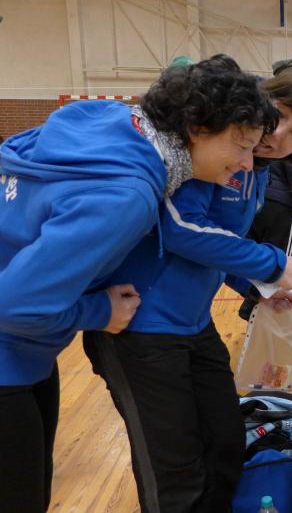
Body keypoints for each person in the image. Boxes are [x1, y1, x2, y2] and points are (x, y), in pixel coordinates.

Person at [0, 54, 274, 512]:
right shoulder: (127, 195)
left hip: (27, 355)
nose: (248, 163)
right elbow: (15, 307)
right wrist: (100, 311)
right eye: (241, 146)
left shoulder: (109, 118)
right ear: (197, 128)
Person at [82, 61, 292, 512]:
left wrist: (257, 287)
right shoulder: (211, 152)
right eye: (281, 114)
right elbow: (181, 229)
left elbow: (219, 244)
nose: (279, 134)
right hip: (139, 327)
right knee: (174, 469)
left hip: (192, 323)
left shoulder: (255, 168)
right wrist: (272, 264)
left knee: (225, 440)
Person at [238, 155, 292, 320]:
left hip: (248, 201)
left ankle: (253, 301)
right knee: (285, 261)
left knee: (255, 255)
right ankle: (271, 311)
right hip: (277, 203)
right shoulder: (287, 144)